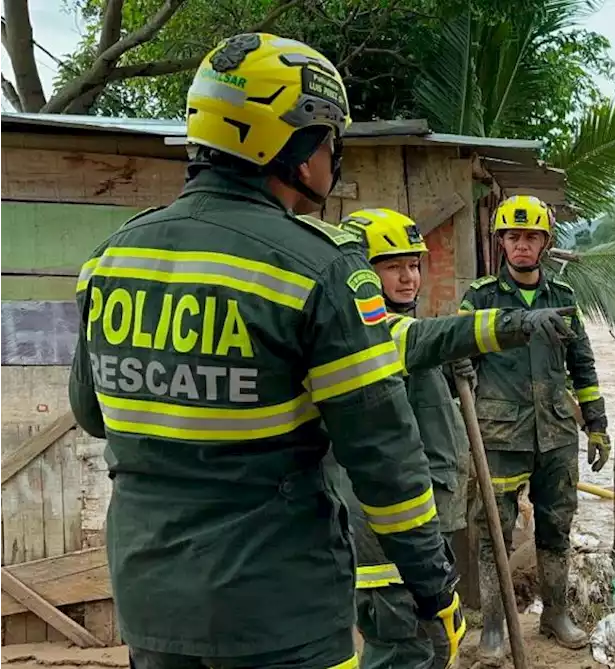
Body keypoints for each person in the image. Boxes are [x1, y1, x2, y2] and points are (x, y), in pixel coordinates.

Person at [67, 33, 456, 669]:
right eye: (331, 139)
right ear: (296, 149)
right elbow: (383, 455)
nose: (334, 158)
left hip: (152, 602)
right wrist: (434, 585)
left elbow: (93, 412)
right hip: (280, 610)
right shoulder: (321, 271)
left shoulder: (114, 257)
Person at [330, 207, 575, 669]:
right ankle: (496, 631)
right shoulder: (363, 333)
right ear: (362, 274)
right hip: (385, 526)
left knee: (435, 636)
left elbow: (425, 349)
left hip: (422, 511)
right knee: (407, 640)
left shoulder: (401, 325)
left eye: (413, 266)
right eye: (391, 267)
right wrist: (512, 325)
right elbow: (424, 338)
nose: (408, 278)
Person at [457, 195, 612, 666]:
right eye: (513, 237)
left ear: (545, 243)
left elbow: (582, 365)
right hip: (499, 436)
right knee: (494, 533)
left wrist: (598, 426)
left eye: (530, 237)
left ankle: (556, 615)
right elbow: (456, 354)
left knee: (556, 526)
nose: (521, 245)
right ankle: (494, 628)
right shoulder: (480, 298)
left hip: (557, 433)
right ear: (501, 242)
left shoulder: (563, 298)